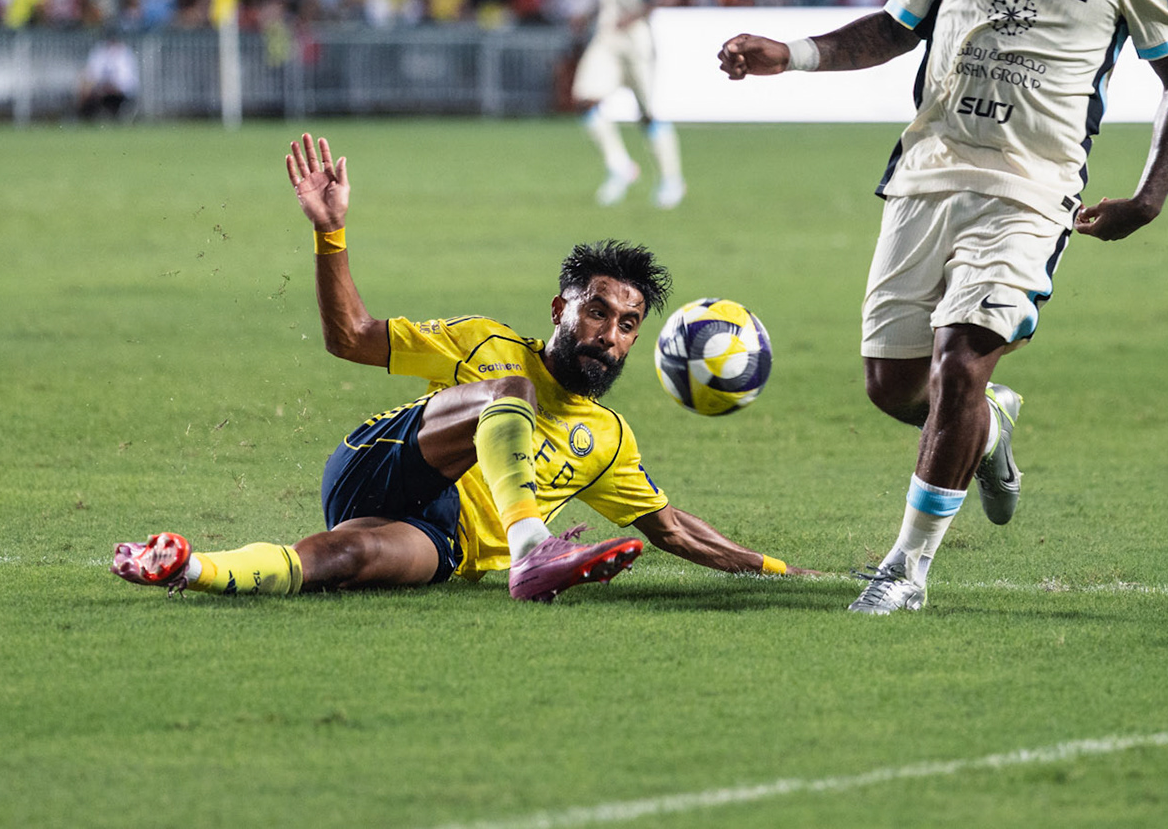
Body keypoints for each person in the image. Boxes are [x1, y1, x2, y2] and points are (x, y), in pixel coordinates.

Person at [718, 0, 1168, 615]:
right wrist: (787, 55)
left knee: (959, 363)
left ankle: (907, 569)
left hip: (1031, 186)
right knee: (891, 386)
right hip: (928, 173)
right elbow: (895, 27)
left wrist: (1150, 195)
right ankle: (989, 431)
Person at [112, 133, 802, 601]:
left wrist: (782, 571)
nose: (609, 335)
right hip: (387, 459)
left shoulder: (610, 441)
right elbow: (351, 337)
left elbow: (674, 529)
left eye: (626, 325)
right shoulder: (484, 342)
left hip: (444, 538)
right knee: (512, 391)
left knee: (344, 563)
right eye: (596, 312)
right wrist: (330, 231)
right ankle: (535, 547)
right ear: (561, 308)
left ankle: (183, 564)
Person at [573, 0, 686, 208]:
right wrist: (587, 14)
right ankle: (619, 166)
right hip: (607, 33)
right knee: (584, 99)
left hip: (636, 35)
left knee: (647, 112)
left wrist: (633, 15)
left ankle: (671, 180)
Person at [76, 31, 139, 120]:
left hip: (120, 92)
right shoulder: (100, 52)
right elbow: (92, 73)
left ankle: (115, 116)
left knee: (112, 97)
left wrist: (112, 86)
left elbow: (127, 80)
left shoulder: (125, 54)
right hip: (101, 89)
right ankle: (83, 118)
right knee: (85, 89)